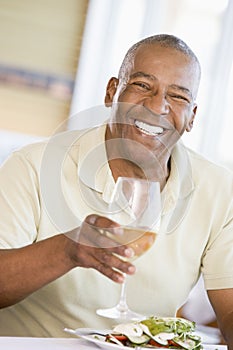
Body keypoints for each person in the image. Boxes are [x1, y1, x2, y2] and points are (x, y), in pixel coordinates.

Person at [0, 34, 233, 347]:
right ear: (112, 92)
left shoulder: (220, 190)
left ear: (192, 117)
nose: (157, 106)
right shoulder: (33, 164)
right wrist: (67, 250)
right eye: (142, 85)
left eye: (177, 96)